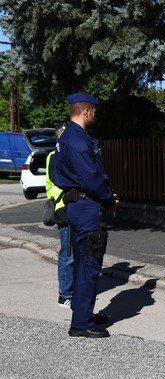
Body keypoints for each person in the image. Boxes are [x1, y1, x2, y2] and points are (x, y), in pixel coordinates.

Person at [52, 93, 119, 338]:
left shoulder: (68, 137)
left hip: (78, 204)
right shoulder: (78, 140)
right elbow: (91, 179)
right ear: (87, 111)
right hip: (86, 205)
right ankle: (81, 323)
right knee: (90, 263)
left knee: (83, 263)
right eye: (94, 112)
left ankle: (84, 313)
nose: (95, 116)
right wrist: (109, 200)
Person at [45, 124, 73, 309]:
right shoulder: (56, 155)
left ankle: (73, 292)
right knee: (68, 254)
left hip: (69, 207)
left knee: (73, 253)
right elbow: (57, 183)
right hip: (64, 208)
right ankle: (65, 295)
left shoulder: (62, 154)